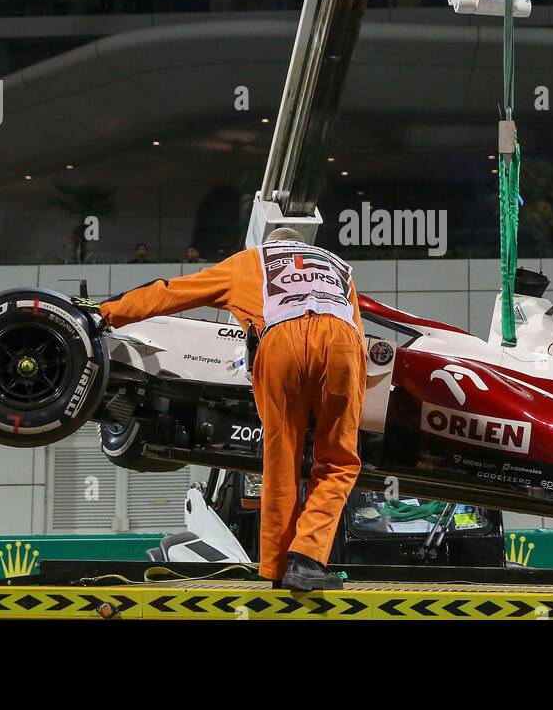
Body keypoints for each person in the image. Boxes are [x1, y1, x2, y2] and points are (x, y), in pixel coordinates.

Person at [88, 227, 365, 591]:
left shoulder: (252, 260)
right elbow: (355, 330)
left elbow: (175, 293)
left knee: (281, 459)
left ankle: (279, 568)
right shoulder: (337, 266)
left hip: (281, 341)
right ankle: (309, 559)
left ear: (268, 244)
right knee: (337, 462)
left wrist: (105, 313)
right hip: (342, 344)